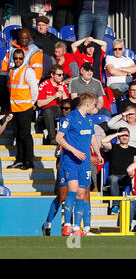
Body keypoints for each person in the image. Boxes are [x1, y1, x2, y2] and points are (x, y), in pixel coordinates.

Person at [56, 92, 104, 236]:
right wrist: (74, 150)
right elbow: (59, 138)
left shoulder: (89, 120)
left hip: (85, 163)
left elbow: (93, 138)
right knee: (73, 190)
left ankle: (77, 228)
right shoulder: (70, 117)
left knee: (82, 194)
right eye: (94, 105)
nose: (95, 107)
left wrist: (98, 154)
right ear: (87, 104)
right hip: (71, 161)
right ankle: (67, 225)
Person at [41, 98, 73, 236]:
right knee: (62, 197)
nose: (65, 111)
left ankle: (72, 226)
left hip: (77, 166)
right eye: (63, 109)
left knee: (80, 195)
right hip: (65, 166)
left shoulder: (79, 124)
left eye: (67, 109)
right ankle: (48, 223)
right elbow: (59, 153)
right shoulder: (64, 127)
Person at [6, 49, 39, 170]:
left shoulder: (28, 71)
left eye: (20, 58)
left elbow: (34, 89)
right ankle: (19, 160)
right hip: (15, 107)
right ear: (13, 59)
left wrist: (31, 103)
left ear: (23, 58)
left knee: (25, 135)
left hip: (25, 107)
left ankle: (29, 161)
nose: (18, 60)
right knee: (18, 135)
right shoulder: (12, 71)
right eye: (16, 58)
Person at [101, 127, 136, 215]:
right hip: (114, 176)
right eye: (122, 135)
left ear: (129, 137)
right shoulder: (113, 147)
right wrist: (117, 134)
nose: (124, 137)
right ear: (119, 137)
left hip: (128, 176)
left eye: (126, 135)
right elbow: (103, 141)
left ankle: (133, 206)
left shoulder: (134, 149)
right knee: (114, 179)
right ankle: (115, 206)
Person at [37, 64, 69, 145]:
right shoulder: (44, 85)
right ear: (52, 75)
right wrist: (54, 97)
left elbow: (68, 104)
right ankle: (52, 138)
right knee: (48, 111)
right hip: (48, 110)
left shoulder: (63, 85)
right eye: (59, 75)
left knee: (70, 111)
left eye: (62, 75)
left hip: (60, 109)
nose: (61, 77)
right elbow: (39, 104)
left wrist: (64, 93)